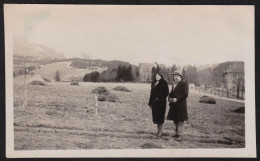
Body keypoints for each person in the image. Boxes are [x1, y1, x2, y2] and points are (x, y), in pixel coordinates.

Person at [167, 71, 189, 141]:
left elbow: (185, 94)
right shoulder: (173, 84)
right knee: (175, 120)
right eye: (174, 76)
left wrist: (177, 99)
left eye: (177, 76)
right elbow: (171, 93)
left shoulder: (183, 84)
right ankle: (176, 133)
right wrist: (169, 98)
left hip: (181, 105)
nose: (175, 77)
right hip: (174, 105)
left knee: (180, 120)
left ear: (180, 77)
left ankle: (180, 135)